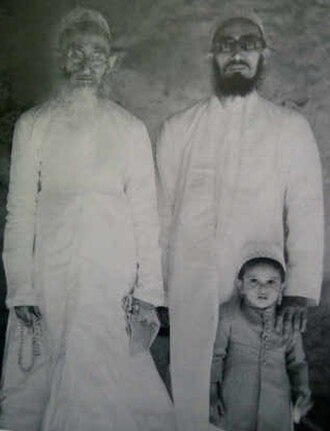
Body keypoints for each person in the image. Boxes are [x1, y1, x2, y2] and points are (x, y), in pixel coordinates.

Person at [0, 8, 174, 431]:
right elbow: (19, 211)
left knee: (105, 361)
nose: (85, 64)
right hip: (52, 268)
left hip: (112, 269)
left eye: (97, 54)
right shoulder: (33, 125)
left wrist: (148, 289)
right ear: (61, 58)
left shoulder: (130, 129)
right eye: (75, 52)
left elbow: (145, 215)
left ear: (110, 61)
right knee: (52, 366)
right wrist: (21, 287)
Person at [156, 7, 323, 431]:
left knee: (258, 402)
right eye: (226, 45)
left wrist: (300, 292)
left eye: (248, 45)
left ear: (263, 55)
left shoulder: (290, 128)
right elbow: (160, 215)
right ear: (211, 57)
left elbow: (305, 213)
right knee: (196, 400)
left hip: (259, 294)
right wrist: (158, 292)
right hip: (192, 289)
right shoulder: (179, 129)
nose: (237, 54)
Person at [209, 242, 312, 431]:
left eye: (271, 282)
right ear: (240, 285)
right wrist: (212, 395)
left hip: (277, 407)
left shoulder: (287, 322)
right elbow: (215, 358)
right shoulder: (228, 317)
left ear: (282, 287)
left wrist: (302, 395)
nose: (262, 289)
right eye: (254, 281)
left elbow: (297, 363)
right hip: (233, 404)